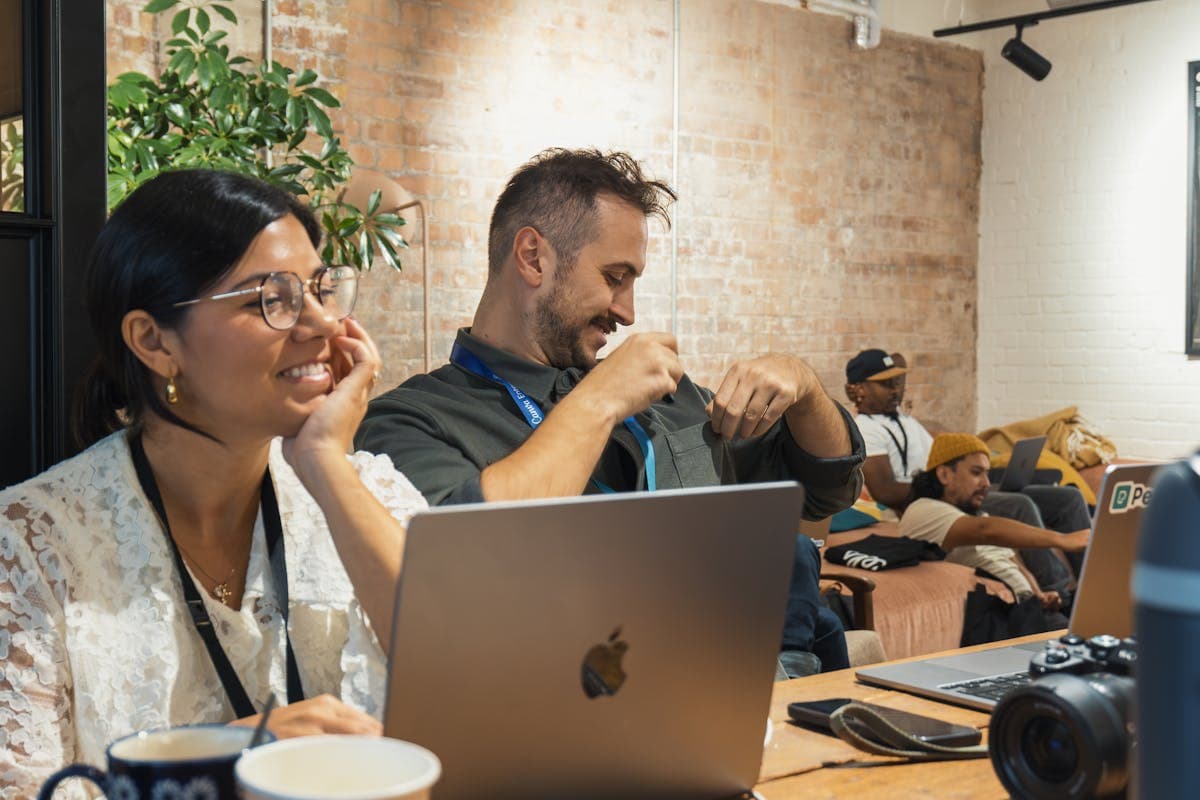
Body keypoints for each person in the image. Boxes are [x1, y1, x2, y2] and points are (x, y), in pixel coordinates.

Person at [355, 148, 866, 677]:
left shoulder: (666, 397)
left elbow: (828, 489)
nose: (627, 312)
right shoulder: (407, 421)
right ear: (532, 257)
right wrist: (598, 402)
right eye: (614, 277)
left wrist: (805, 389)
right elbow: (458, 572)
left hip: (738, 693)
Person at [0, 170, 427, 797]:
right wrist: (229, 756)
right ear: (154, 341)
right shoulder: (31, 548)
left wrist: (324, 464)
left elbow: (468, 687)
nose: (322, 323)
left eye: (321, 289)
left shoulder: (363, 490)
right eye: (271, 299)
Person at [845, 348, 1092, 568]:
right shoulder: (866, 429)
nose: (895, 389)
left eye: (895, 382)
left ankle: (1093, 578)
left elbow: (899, 362)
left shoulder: (901, 418)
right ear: (859, 389)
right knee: (1020, 504)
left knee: (1068, 497)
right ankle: (1056, 588)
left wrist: (973, 475)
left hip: (950, 484)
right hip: (938, 496)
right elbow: (886, 491)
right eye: (884, 384)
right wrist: (950, 485)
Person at [901, 434, 1090, 625]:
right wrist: (1062, 539)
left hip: (1033, 609)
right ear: (944, 475)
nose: (986, 483)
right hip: (1009, 616)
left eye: (987, 474)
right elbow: (984, 530)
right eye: (976, 473)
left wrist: (1039, 594)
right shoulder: (923, 510)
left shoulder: (974, 515)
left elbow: (1011, 561)